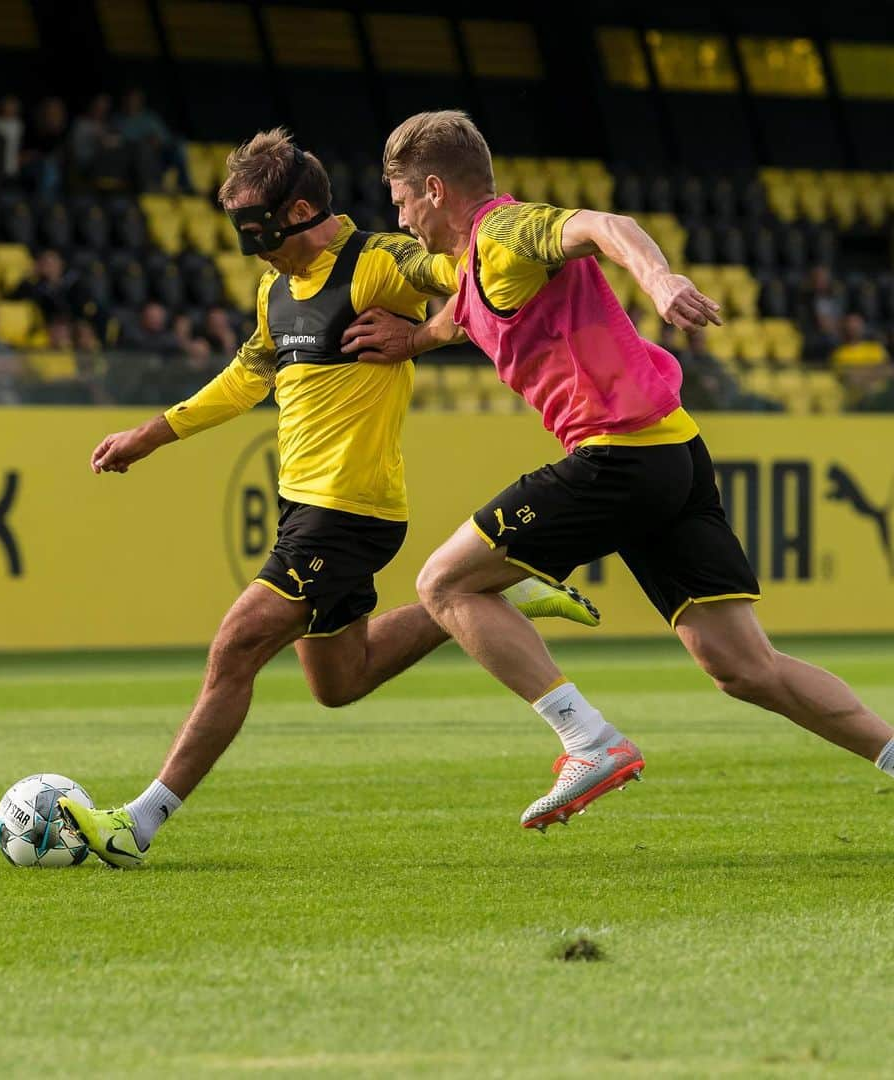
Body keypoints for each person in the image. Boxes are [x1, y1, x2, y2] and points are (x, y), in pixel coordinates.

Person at [336, 110, 894, 830]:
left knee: (444, 583)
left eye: (403, 200)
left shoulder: (506, 233)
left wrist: (659, 281)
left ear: (435, 189)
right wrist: (412, 337)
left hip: (620, 454)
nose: (402, 217)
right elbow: (456, 315)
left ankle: (587, 740)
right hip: (673, 455)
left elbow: (605, 225)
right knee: (745, 668)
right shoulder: (473, 265)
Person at [58, 129, 599, 865]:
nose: (253, 248)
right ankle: (496, 602)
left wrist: (424, 337)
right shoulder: (275, 287)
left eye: (259, 232)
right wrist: (154, 433)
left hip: (348, 511)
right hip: (303, 506)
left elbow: (473, 273)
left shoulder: (379, 263)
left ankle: (136, 825)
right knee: (340, 682)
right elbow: (249, 375)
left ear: (302, 209)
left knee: (235, 647)